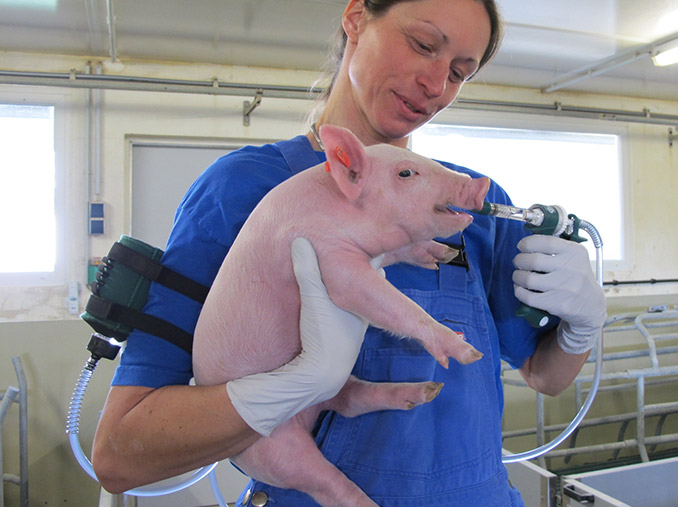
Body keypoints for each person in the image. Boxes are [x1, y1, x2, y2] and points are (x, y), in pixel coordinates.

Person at [91, 0, 607, 505]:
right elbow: (122, 455)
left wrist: (581, 325)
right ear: (357, 17)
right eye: (423, 44)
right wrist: (292, 387)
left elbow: (545, 375)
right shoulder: (242, 190)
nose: (436, 84)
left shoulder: (471, 204)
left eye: (459, 72)